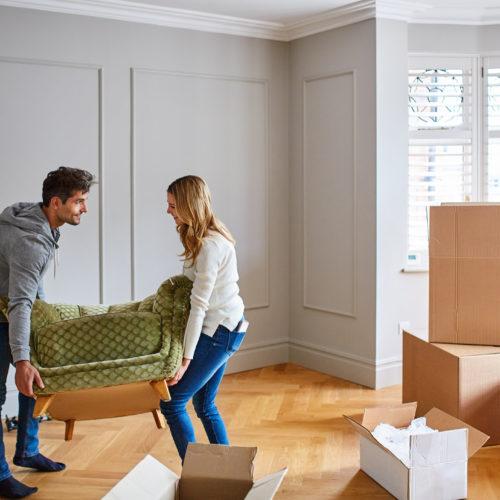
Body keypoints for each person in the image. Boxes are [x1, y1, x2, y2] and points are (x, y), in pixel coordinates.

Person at [0, 166, 95, 498]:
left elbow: (30, 285)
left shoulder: (38, 221)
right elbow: (19, 301)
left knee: (38, 382)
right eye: (79, 201)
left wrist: (42, 326)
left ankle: (26, 450)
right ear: (56, 203)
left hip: (11, 310)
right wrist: (22, 359)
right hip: (4, 315)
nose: (84, 208)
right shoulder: (31, 241)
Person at [161, 175, 247, 461]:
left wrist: (185, 361)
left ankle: (198, 474)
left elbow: (199, 306)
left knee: (173, 403)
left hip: (220, 332)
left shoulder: (210, 246)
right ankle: (226, 473)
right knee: (205, 404)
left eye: (173, 205)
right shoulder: (203, 238)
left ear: (188, 204)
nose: (169, 211)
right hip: (228, 326)